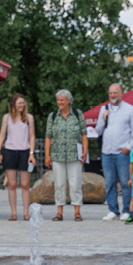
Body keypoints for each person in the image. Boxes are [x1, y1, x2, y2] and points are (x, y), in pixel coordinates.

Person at [95, 84, 133, 222]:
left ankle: (127, 210)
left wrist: (129, 147)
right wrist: (103, 119)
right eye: (110, 93)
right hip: (106, 151)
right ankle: (113, 210)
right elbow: (97, 131)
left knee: (126, 183)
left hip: (122, 152)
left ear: (121, 93)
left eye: (115, 93)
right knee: (110, 183)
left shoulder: (130, 109)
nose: (112, 95)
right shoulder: (104, 109)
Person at [44, 89, 88, 222]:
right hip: (57, 155)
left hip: (75, 155)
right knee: (59, 184)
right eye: (58, 100)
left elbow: (84, 134)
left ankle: (77, 212)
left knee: (75, 184)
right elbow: (48, 137)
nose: (59, 102)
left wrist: (85, 151)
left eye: (62, 100)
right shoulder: (52, 116)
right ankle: (59, 212)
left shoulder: (77, 114)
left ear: (69, 101)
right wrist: (47, 155)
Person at [0, 93, 36, 221]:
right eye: (19, 103)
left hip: (24, 151)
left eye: (23, 103)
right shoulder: (6, 118)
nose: (22, 105)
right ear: (13, 104)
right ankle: (13, 213)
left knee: (25, 184)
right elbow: (2, 135)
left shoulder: (29, 118)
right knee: (12, 184)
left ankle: (26, 213)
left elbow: (32, 136)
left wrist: (32, 153)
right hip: (10, 151)